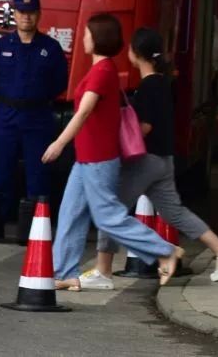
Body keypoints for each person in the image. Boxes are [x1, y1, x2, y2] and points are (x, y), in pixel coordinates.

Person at [78, 28, 218, 290]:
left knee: (108, 209)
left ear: (135, 54)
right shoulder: (164, 84)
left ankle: (103, 270)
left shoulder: (147, 88)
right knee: (176, 213)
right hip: (164, 160)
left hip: (146, 161)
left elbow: (144, 128)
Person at [44, 14, 182, 290]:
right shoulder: (103, 69)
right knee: (71, 214)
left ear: (97, 39)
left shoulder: (103, 71)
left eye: (86, 34)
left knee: (107, 216)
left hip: (98, 159)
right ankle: (65, 273)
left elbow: (84, 112)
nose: (83, 38)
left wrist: (59, 143)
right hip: (86, 157)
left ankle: (164, 251)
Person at [0, 0, 68, 226]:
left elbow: (59, 82)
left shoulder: (50, 48)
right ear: (14, 14)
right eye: (21, 12)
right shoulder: (1, 46)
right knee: (1, 171)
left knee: (38, 174)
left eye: (31, 12)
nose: (26, 17)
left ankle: (35, 229)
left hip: (38, 116)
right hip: (6, 115)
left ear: (39, 14)